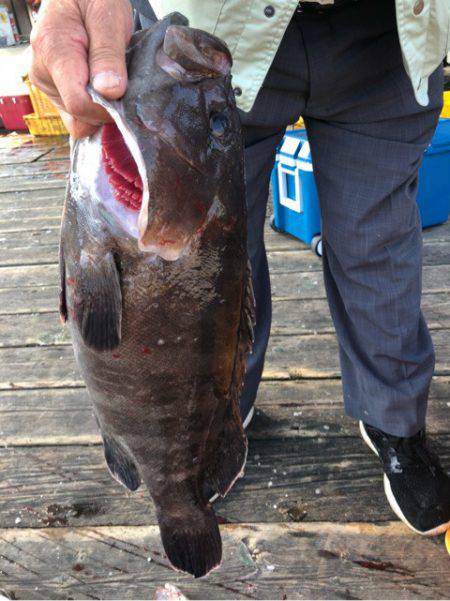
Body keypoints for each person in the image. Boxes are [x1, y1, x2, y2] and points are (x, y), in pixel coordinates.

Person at [30, 0, 450, 536]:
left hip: (390, 31)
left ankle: (395, 420)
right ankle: (217, 421)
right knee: (221, 256)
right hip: (217, 18)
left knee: (378, 244)